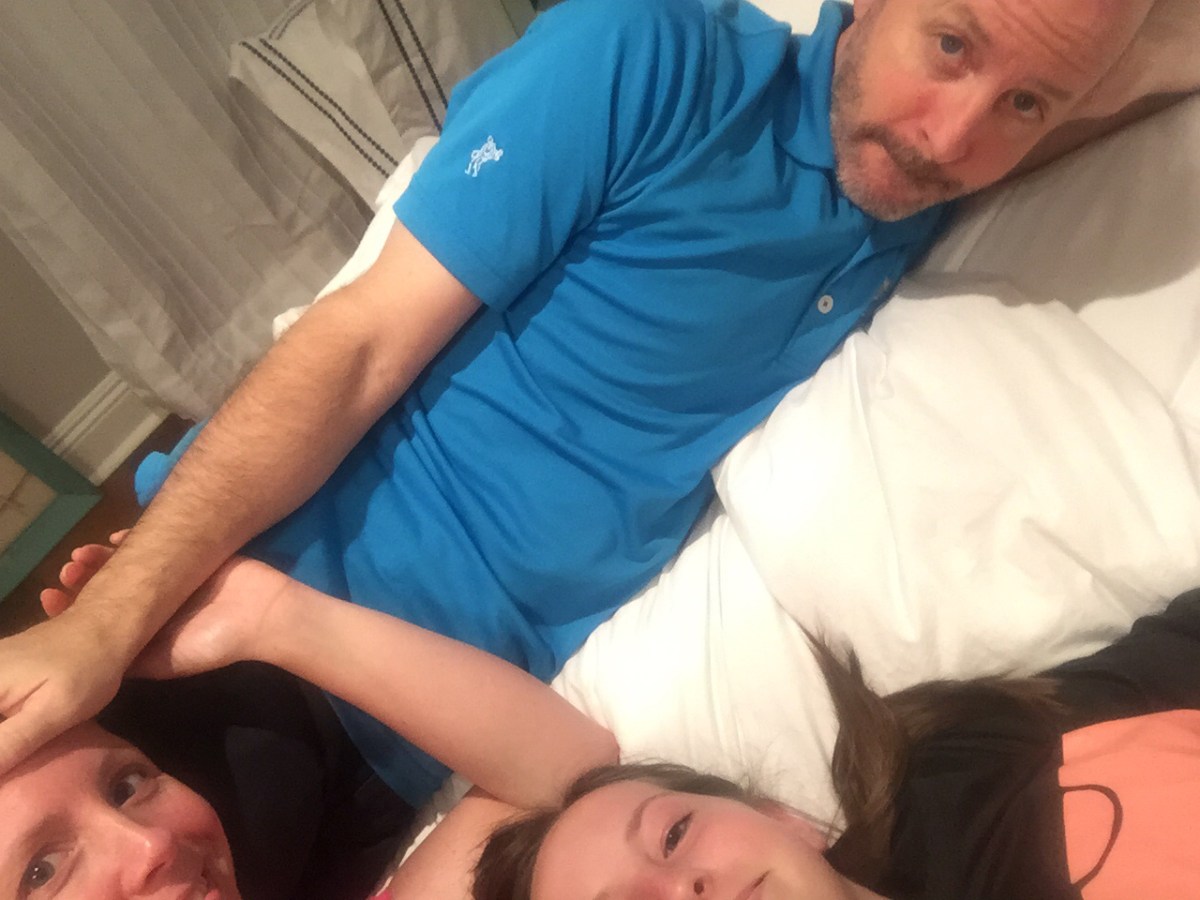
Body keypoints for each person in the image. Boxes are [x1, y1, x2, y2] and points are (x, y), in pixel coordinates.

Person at [0, 0, 1162, 806]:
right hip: (246, 616)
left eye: (1025, 105)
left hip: (433, 749)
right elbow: (357, 345)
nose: (950, 134)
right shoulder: (650, 59)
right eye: (950, 45)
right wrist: (113, 621)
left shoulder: (921, 184)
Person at [24, 549, 1200, 899]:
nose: (154, 845)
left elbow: (569, 781)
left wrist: (271, 616)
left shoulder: (974, 787)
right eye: (38, 872)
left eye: (129, 783)